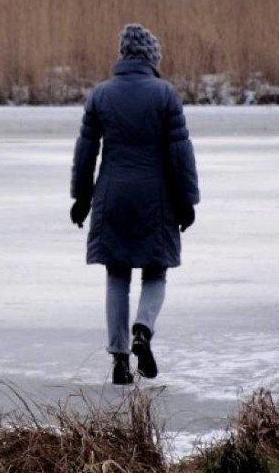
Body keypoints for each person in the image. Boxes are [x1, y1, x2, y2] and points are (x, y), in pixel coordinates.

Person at [70, 23, 200, 385]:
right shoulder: (165, 95)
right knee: (156, 270)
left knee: (116, 275)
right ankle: (143, 328)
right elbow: (180, 153)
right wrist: (187, 200)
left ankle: (119, 360)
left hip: (112, 196)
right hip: (155, 199)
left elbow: (85, 151)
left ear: (123, 55)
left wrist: (81, 197)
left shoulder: (100, 95)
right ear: (152, 58)